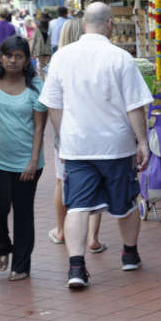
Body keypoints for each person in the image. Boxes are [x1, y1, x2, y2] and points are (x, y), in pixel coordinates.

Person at [40, 2, 152, 289]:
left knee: (76, 206)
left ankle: (76, 268)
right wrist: (143, 142)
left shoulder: (62, 57)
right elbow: (134, 107)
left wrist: (64, 136)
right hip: (116, 145)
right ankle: (129, 255)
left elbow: (53, 105)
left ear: (84, 22)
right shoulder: (120, 58)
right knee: (126, 202)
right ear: (110, 24)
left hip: (77, 146)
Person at [0, 36, 46, 281]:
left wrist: (33, 161)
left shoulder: (35, 86)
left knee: (23, 213)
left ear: (26, 60)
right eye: (8, 55)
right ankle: (3, 244)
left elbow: (40, 128)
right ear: (0, 57)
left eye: (18, 56)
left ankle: (21, 266)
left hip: (27, 162)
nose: (12, 60)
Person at [47, 14, 106, 254]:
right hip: (96, 130)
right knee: (98, 179)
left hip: (68, 131)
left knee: (62, 181)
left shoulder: (58, 61)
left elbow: (52, 103)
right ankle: (93, 237)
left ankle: (61, 231)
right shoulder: (97, 58)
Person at [30, 12, 51, 76]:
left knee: (42, 66)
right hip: (48, 50)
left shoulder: (37, 29)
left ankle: (43, 79)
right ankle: (45, 78)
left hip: (40, 51)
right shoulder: (49, 28)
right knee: (47, 66)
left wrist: (31, 52)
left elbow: (33, 41)